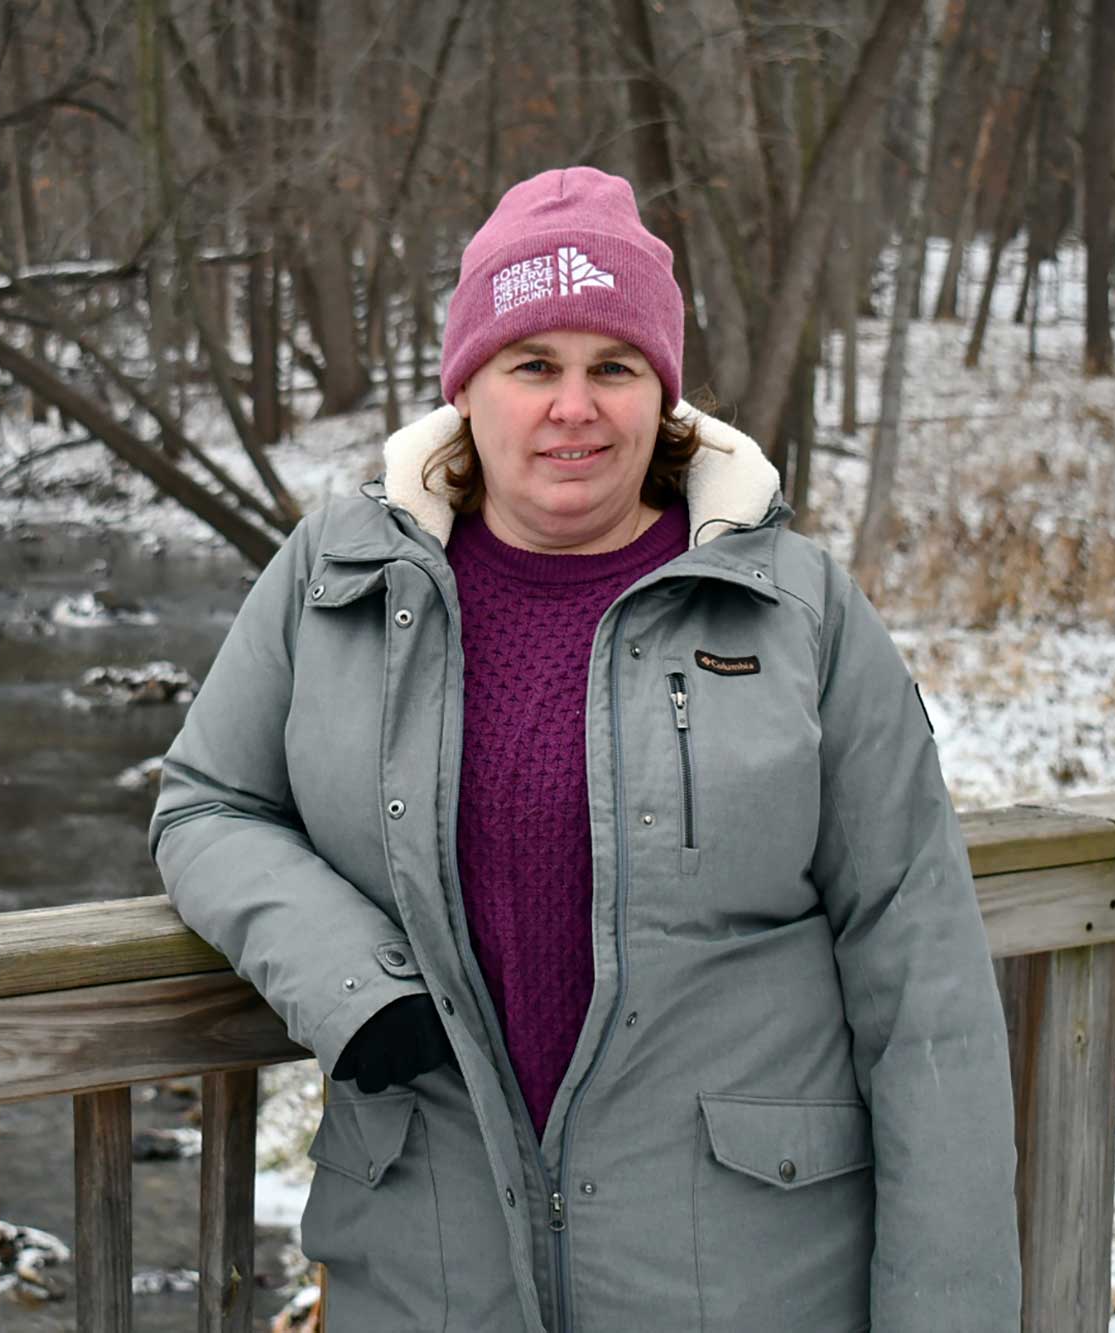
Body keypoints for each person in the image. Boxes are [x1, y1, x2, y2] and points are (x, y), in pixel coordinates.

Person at [150, 166, 1020, 1332]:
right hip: (428, 1276)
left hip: (741, 1280)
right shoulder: (338, 576)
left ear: (662, 395)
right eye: (531, 365)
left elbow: (920, 971)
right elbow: (205, 804)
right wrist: (353, 979)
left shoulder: (789, 606)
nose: (573, 407)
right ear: (467, 387)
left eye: (613, 366)